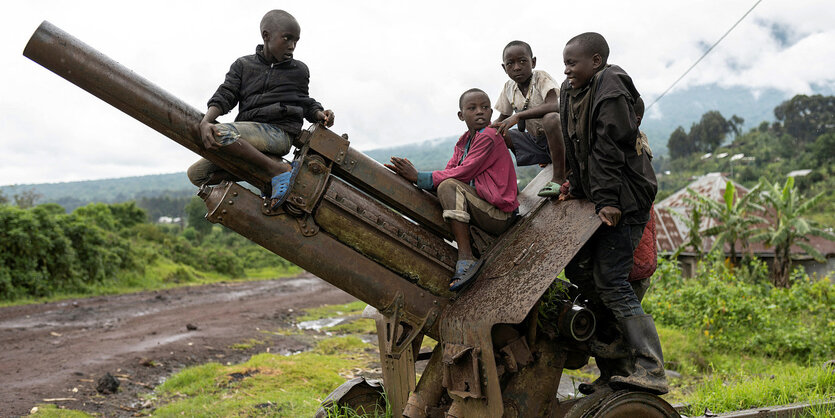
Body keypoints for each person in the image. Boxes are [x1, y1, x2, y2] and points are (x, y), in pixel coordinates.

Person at [557, 32, 667, 395]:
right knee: (581, 273)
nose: (567, 69)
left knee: (612, 280)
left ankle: (650, 368)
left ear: (596, 61)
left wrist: (608, 201)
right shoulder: (571, 90)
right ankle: (614, 371)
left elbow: (610, 148)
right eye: (565, 62)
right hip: (601, 195)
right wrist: (573, 182)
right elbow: (574, 143)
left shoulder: (611, 86)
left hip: (627, 198)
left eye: (573, 63)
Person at [187, 10, 334, 209]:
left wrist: (319, 113)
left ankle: (276, 170)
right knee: (197, 175)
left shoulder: (298, 70)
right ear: (266, 36)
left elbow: (304, 101)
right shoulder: (243, 65)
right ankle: (272, 172)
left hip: (279, 134)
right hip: (247, 135)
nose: (292, 46)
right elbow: (225, 95)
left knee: (221, 132)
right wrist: (206, 122)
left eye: (296, 41)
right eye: (287, 38)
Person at [386, 89, 519, 291]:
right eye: (472, 108)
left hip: (499, 215)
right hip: (483, 208)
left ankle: (465, 257)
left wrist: (418, 176)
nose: (479, 112)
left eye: (484, 108)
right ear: (461, 115)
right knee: (441, 187)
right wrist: (411, 181)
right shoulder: (465, 141)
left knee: (448, 186)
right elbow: (450, 170)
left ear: (492, 113)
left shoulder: (489, 136)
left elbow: (463, 173)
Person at [490, 40, 566, 197]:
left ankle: (559, 178)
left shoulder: (540, 78)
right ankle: (511, 189)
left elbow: (554, 105)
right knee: (499, 133)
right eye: (510, 63)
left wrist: (518, 115)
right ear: (504, 68)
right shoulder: (509, 87)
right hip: (537, 142)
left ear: (533, 62)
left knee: (550, 119)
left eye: (522, 61)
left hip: (562, 139)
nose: (517, 67)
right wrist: (484, 133)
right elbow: (502, 119)